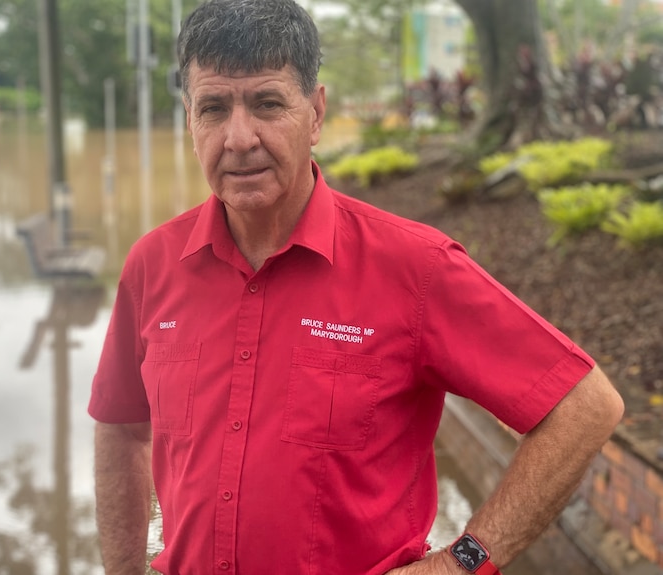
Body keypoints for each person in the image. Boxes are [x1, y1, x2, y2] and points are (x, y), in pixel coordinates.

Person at [89, 0, 625, 573]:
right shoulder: (153, 265)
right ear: (189, 120)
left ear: (315, 114)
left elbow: (584, 407)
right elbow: (122, 430)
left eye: (267, 104)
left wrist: (461, 562)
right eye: (214, 108)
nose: (239, 137)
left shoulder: (414, 267)